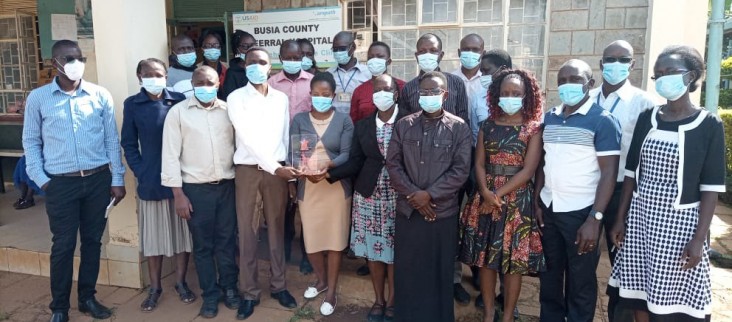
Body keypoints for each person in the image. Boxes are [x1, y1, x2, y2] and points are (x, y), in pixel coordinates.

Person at [608, 45, 723, 322]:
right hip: (641, 219)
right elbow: (631, 174)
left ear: (691, 76)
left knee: (673, 295)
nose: (663, 78)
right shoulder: (648, 118)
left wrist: (699, 239)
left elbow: (711, 188)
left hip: (680, 225)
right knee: (639, 292)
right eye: (658, 74)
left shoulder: (708, 124)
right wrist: (619, 219)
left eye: (670, 72)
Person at [22, 39, 126, 322]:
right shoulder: (39, 98)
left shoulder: (99, 94)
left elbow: (110, 139)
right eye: (68, 58)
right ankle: (59, 307)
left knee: (93, 242)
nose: (75, 63)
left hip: (97, 181)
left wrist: (117, 178)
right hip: (60, 184)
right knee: (64, 245)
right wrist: (43, 181)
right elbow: (31, 142)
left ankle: (87, 298)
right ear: (54, 62)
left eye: (79, 57)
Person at [536, 59, 621, 322]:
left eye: (574, 80)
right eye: (562, 81)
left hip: (581, 212)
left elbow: (609, 173)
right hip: (550, 208)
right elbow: (542, 163)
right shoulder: (549, 117)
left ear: (590, 84)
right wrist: (538, 202)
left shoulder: (603, 121)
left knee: (580, 280)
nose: (567, 86)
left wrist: (595, 219)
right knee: (549, 274)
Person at [459, 69, 546, 322]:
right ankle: (488, 313)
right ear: (496, 95)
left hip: (517, 201)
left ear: (526, 96)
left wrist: (494, 195)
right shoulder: (487, 125)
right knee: (485, 260)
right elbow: (479, 164)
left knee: (513, 262)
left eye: (516, 93)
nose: (510, 97)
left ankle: (507, 316)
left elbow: (528, 170)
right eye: (505, 93)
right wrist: (485, 192)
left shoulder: (533, 128)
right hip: (485, 197)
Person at [386, 71, 472, 322]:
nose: (428, 96)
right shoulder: (404, 125)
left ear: (445, 95)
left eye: (434, 92)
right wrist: (415, 195)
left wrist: (429, 196)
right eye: (424, 92)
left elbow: (460, 171)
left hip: (441, 214)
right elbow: (393, 164)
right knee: (409, 271)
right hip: (409, 211)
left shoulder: (459, 128)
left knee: (439, 272)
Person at [161, 66, 240, 319]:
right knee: (204, 246)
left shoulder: (229, 111)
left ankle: (230, 288)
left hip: (227, 186)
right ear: (192, 83)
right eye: (200, 82)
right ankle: (210, 295)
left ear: (218, 84)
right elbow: (170, 156)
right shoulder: (178, 113)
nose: (205, 86)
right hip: (195, 190)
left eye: (210, 82)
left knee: (227, 242)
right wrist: (178, 194)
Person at [227, 47, 299, 320]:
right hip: (248, 171)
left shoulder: (280, 99)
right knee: (247, 232)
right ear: (244, 66)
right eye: (251, 62)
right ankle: (249, 292)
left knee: (277, 230)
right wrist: (276, 168)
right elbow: (246, 137)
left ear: (271, 67)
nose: (256, 66)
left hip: (277, 174)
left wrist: (286, 173)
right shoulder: (235, 97)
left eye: (262, 62)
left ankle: (279, 286)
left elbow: (283, 136)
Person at [588, 40, 656, 322]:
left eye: (622, 59)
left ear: (632, 64)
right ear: (601, 64)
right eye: (609, 59)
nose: (615, 64)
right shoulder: (587, 97)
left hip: (621, 192)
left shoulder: (644, 103)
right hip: (587, 190)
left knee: (623, 259)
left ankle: (619, 316)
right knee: (584, 258)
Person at [329, 73, 407, 322]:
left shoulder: (409, 121)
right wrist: (326, 174)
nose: (380, 93)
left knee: (395, 253)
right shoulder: (363, 125)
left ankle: (394, 300)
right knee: (374, 252)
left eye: (385, 89)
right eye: (376, 89)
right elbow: (356, 160)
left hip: (400, 197)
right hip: (369, 196)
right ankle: (379, 300)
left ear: (396, 93)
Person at [121, 58, 195, 312]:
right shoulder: (132, 105)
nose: (155, 78)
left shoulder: (179, 100)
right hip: (151, 179)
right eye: (149, 74)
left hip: (181, 181)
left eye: (159, 74)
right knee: (153, 240)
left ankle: (181, 282)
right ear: (139, 77)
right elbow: (129, 144)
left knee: (183, 237)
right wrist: (141, 171)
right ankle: (155, 287)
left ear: (166, 76)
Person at [290, 72, 354, 316]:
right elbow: (292, 152)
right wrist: (301, 172)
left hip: (335, 188)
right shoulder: (299, 119)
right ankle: (321, 280)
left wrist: (328, 169)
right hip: (309, 187)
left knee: (335, 240)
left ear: (333, 96)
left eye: (325, 95)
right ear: (310, 95)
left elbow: (347, 153)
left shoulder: (344, 121)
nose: (320, 98)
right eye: (315, 94)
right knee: (313, 239)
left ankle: (331, 291)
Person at [268, 40, 315, 274]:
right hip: (278, 151)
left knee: (306, 204)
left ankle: (308, 255)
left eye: (298, 57)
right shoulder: (270, 84)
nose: (294, 61)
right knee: (282, 207)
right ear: (280, 57)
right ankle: (283, 251)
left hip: (306, 150)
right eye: (289, 57)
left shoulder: (311, 82)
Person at [450, 33, 487, 305]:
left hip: (484, 159)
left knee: (479, 220)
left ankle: (478, 271)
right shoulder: (449, 80)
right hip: (454, 157)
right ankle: (453, 278)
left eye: (475, 49)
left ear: (482, 52)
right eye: (466, 49)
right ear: (458, 51)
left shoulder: (492, 83)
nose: (470, 53)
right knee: (451, 218)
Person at [400, 33, 469, 123]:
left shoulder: (456, 83)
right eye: (422, 51)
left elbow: (463, 120)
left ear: (441, 55)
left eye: (433, 50)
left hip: (450, 136)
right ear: (417, 56)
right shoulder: (408, 88)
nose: (427, 55)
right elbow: (405, 123)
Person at [349, 41, 406, 123]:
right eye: (371, 57)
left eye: (380, 57)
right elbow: (354, 121)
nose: (375, 60)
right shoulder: (359, 91)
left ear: (389, 61)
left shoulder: (402, 87)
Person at [327, 31, 372, 114]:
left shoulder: (368, 73)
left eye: (342, 48)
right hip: (335, 122)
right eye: (335, 49)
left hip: (358, 122)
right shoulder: (328, 74)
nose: (338, 52)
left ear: (353, 47)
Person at [220, 30, 256, 100]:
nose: (250, 49)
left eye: (253, 45)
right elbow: (229, 98)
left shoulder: (260, 68)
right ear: (237, 49)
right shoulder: (232, 73)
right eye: (245, 46)